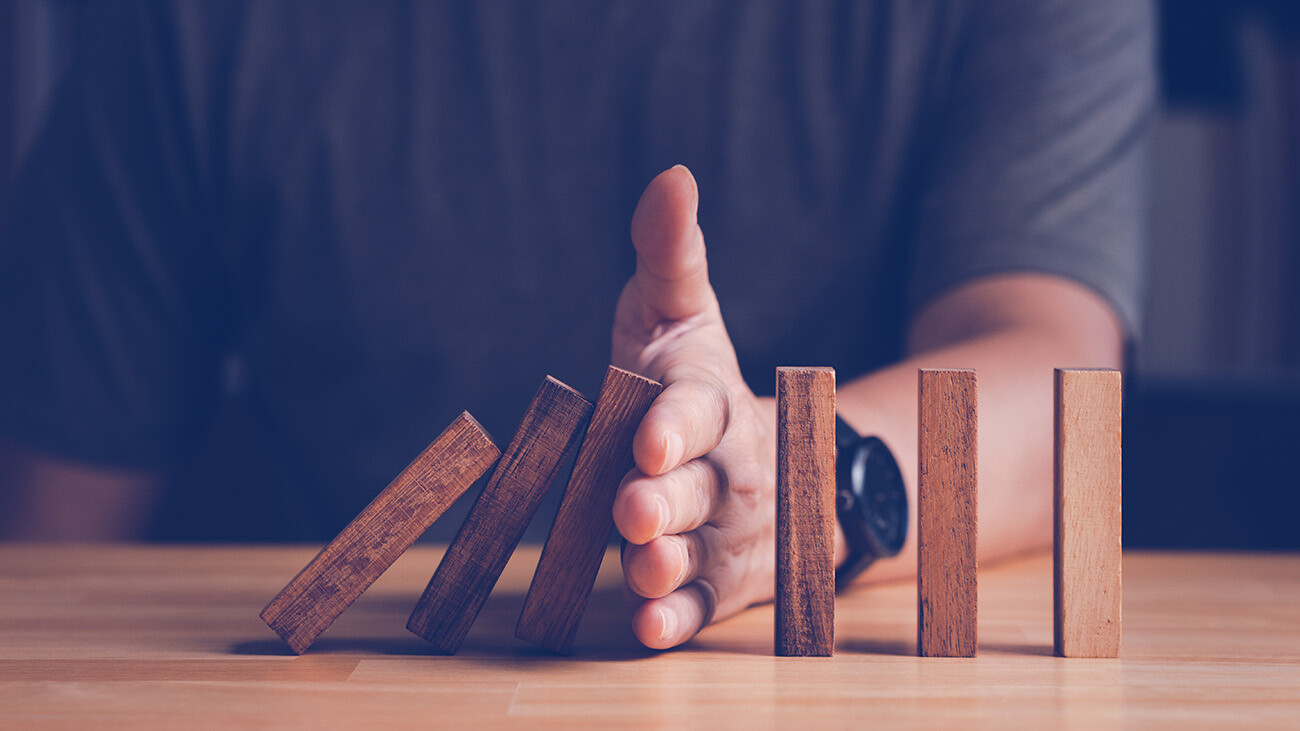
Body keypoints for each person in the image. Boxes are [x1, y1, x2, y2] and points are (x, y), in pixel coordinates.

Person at [0, 1, 1151, 651]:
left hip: (803, 666)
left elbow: (1053, 369)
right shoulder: (177, 25)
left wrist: (799, 484)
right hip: (368, 678)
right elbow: (50, 549)